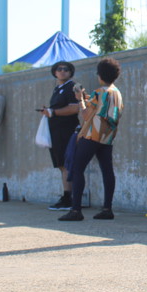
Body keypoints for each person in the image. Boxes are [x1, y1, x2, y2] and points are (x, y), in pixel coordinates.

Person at [59, 58, 123, 222]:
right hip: (107, 136)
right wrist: (86, 98)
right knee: (107, 170)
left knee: (77, 169)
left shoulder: (99, 92)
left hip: (92, 135)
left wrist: (80, 99)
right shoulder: (116, 92)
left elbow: (86, 115)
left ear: (100, 75)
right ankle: (107, 208)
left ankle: (76, 210)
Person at [41, 61, 85, 211]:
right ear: (55, 72)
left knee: (67, 164)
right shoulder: (57, 89)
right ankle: (67, 197)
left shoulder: (72, 87)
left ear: (70, 72)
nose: (62, 71)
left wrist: (53, 112)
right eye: (59, 69)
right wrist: (48, 111)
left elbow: (75, 108)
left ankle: (69, 198)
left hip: (67, 131)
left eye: (66, 69)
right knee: (61, 164)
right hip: (56, 131)